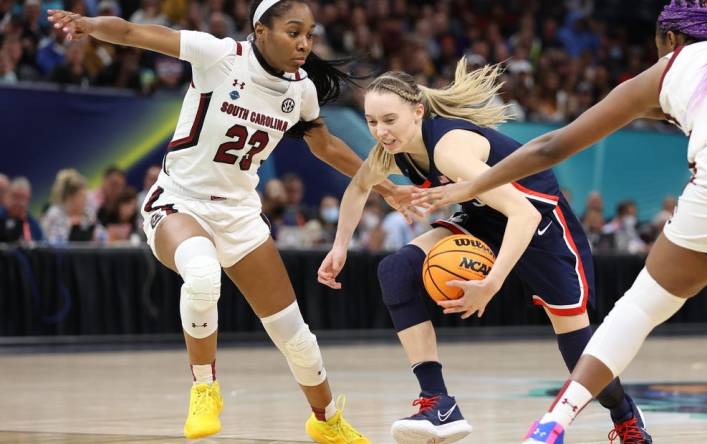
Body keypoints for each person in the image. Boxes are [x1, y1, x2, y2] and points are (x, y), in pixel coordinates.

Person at [415, 1, 707, 442]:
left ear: (671, 41)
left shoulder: (670, 67)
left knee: (641, 308)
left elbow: (550, 147)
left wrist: (466, 188)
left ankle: (554, 421)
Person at [48, 1, 415, 442]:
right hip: (180, 201)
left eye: (310, 35)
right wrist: (87, 24)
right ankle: (205, 388)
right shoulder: (218, 55)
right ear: (261, 30)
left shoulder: (300, 90)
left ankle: (327, 421)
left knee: (294, 335)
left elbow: (326, 145)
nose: (304, 43)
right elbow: (132, 33)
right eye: (293, 32)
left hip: (240, 214)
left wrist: (386, 186)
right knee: (202, 276)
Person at [317, 59, 650, 444]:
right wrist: (339, 246)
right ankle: (437, 401)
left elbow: (521, 213)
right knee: (396, 269)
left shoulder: (448, 150)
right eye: (372, 122)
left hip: (543, 229)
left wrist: (491, 283)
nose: (380, 131)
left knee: (580, 357)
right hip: (484, 223)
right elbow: (359, 188)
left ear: (417, 111)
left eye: (389, 120)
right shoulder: (391, 150)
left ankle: (625, 414)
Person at [41, 168, 98, 242]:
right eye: (81, 196)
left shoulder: (88, 214)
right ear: (70, 197)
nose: (85, 199)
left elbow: (104, 236)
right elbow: (50, 242)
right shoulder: (54, 214)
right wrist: (70, 227)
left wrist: (95, 236)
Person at [0, 177, 43, 243]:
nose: (18, 202)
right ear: (7, 196)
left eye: (22, 198)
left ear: (28, 200)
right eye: (15, 196)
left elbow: (40, 248)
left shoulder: (33, 225)